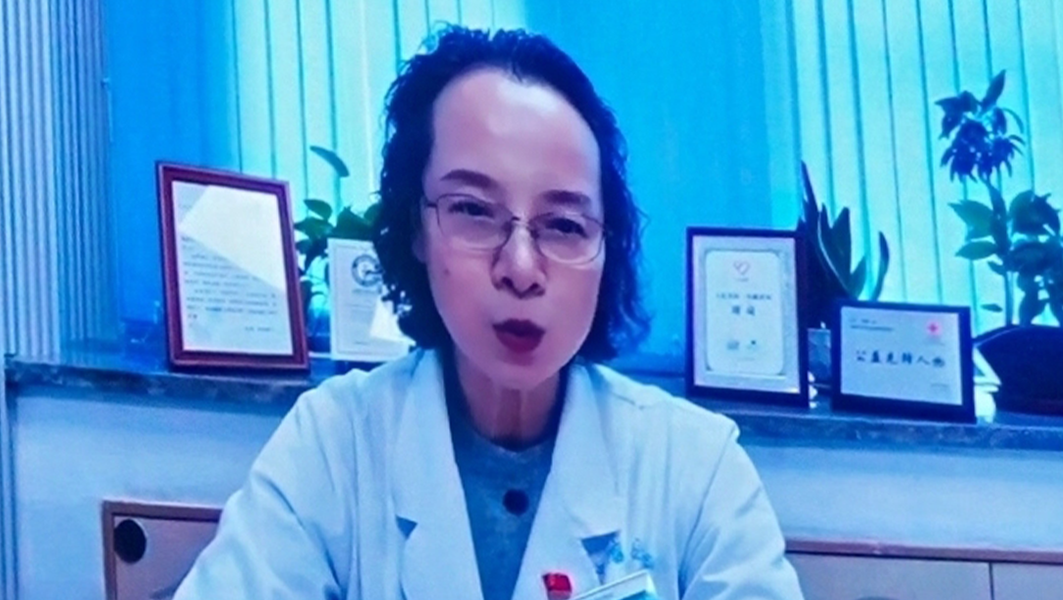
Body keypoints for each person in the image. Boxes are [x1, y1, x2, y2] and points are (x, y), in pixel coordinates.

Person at [174, 25, 803, 600]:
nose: (521, 269)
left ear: (606, 247)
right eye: (473, 211)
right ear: (415, 229)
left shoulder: (695, 467)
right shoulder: (334, 446)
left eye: (564, 224)